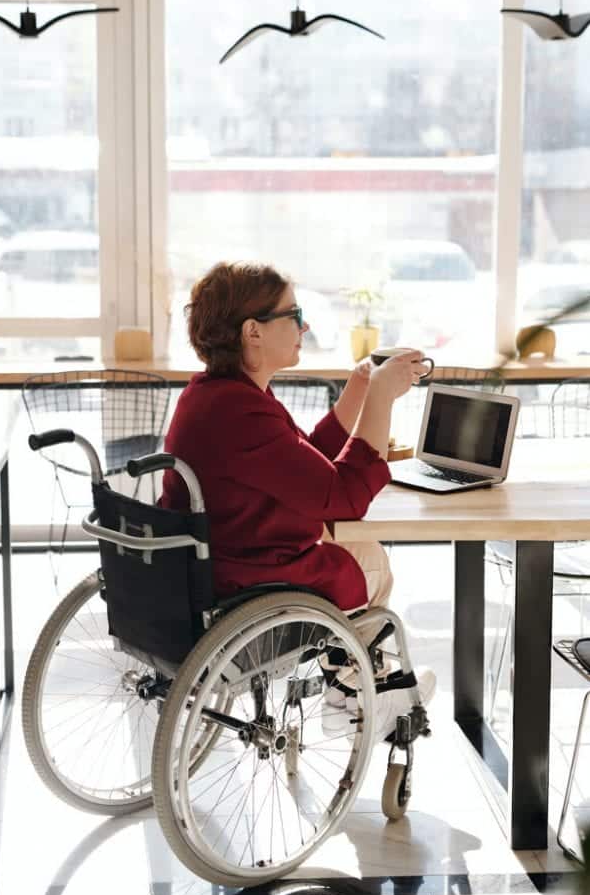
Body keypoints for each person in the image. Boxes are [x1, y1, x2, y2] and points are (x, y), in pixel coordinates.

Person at [160, 261, 435, 739]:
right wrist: (383, 402)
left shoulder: (215, 396)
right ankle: (354, 692)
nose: (304, 325)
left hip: (212, 565)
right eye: (293, 313)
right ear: (253, 331)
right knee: (370, 562)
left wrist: (358, 392)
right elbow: (343, 496)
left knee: (361, 553)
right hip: (248, 580)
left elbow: (304, 465)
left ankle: (348, 679)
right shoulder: (240, 411)